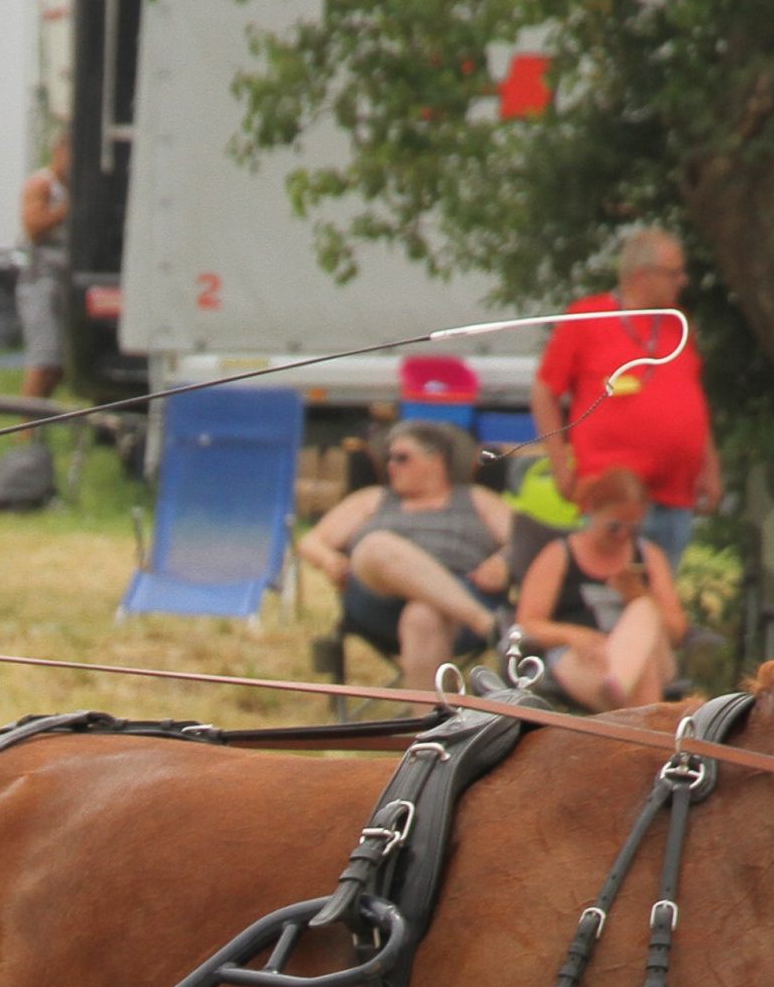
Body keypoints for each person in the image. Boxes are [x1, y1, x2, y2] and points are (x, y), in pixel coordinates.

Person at [531, 227, 721, 569]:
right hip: (612, 496)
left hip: (674, 498)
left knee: (660, 594)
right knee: (611, 589)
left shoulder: (677, 325)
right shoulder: (587, 319)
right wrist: (560, 467)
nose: (682, 281)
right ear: (641, 275)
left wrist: (710, 466)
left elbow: (691, 399)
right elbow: (545, 392)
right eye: (673, 273)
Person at [297, 419, 513, 695]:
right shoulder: (372, 499)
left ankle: (432, 719)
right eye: (389, 458)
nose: (391, 466)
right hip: (380, 603)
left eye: (402, 458)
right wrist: (329, 560)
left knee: (422, 614)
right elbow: (311, 541)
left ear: (436, 459)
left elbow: (522, 543)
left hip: (464, 592)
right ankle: (489, 626)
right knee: (376, 546)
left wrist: (503, 562)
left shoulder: (477, 499)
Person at [512, 467, 686, 710]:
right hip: (585, 655)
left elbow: (677, 632)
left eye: (633, 529)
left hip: (644, 654)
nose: (623, 536)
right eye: (614, 527)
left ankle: (618, 681)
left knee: (643, 610)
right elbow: (528, 623)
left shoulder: (649, 555)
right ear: (593, 511)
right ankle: (635, 715)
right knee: (643, 674)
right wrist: (573, 635)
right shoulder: (560, 555)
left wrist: (638, 594)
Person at [17, 133, 72, 405]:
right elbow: (33, 228)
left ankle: (39, 421)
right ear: (59, 151)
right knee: (43, 361)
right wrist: (67, 209)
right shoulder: (43, 184)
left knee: (58, 367)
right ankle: (25, 426)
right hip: (41, 282)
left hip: (67, 281)